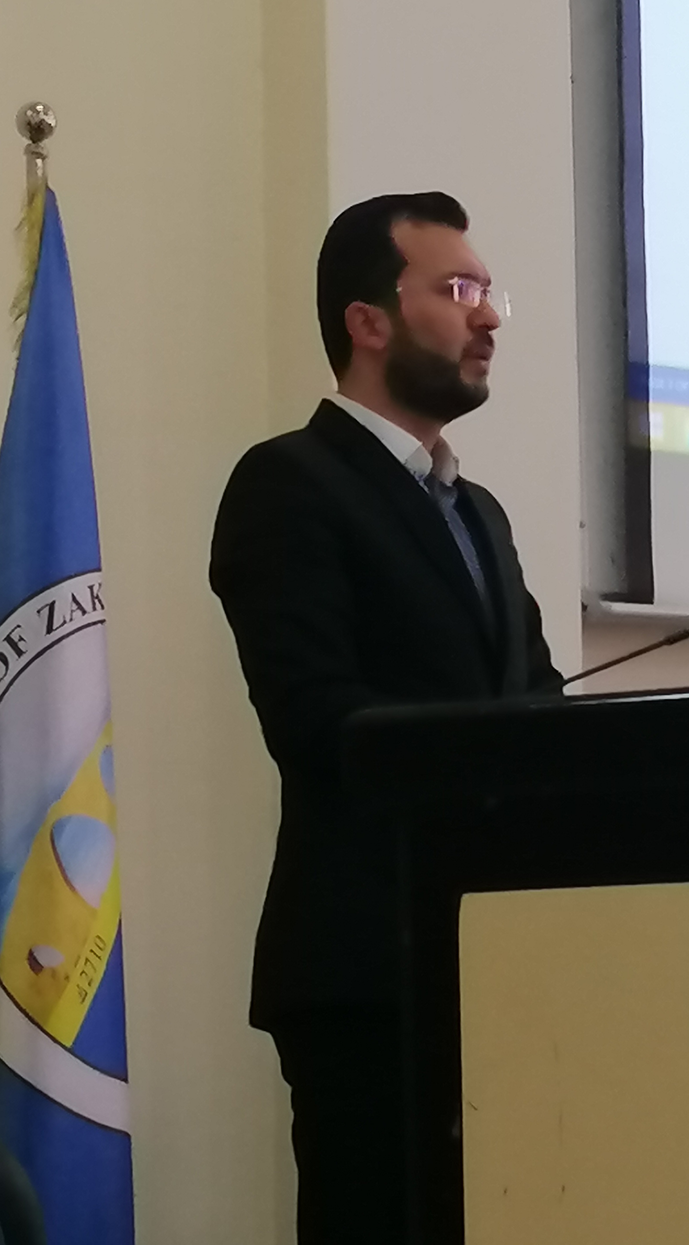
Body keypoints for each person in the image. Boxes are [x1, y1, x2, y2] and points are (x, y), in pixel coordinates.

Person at [209, 191, 563, 1243]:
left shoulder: (478, 513)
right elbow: (316, 718)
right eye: (455, 290)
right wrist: (495, 756)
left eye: (488, 292)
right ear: (366, 322)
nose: (486, 315)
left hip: (504, 967)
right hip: (369, 970)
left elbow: (539, 702)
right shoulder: (288, 483)